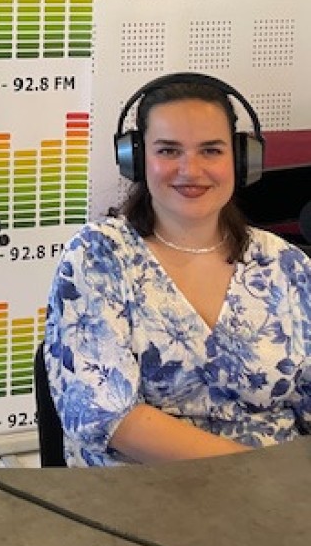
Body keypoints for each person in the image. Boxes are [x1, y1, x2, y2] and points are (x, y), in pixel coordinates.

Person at [44, 72, 311, 467]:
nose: (191, 169)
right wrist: (261, 478)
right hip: (146, 489)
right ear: (136, 160)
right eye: (169, 150)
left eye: (211, 150)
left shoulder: (286, 264)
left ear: (241, 160)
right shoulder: (98, 256)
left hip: (283, 490)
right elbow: (106, 416)